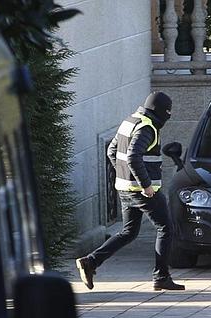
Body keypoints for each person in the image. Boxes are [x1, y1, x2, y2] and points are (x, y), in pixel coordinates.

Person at [76, 92, 185, 291]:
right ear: (161, 111)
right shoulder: (147, 127)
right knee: (166, 228)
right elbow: (134, 156)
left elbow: (112, 151)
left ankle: (90, 262)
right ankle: (161, 277)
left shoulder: (130, 120)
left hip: (125, 189)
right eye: (167, 113)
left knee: (128, 232)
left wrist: (124, 176)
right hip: (142, 191)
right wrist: (145, 185)